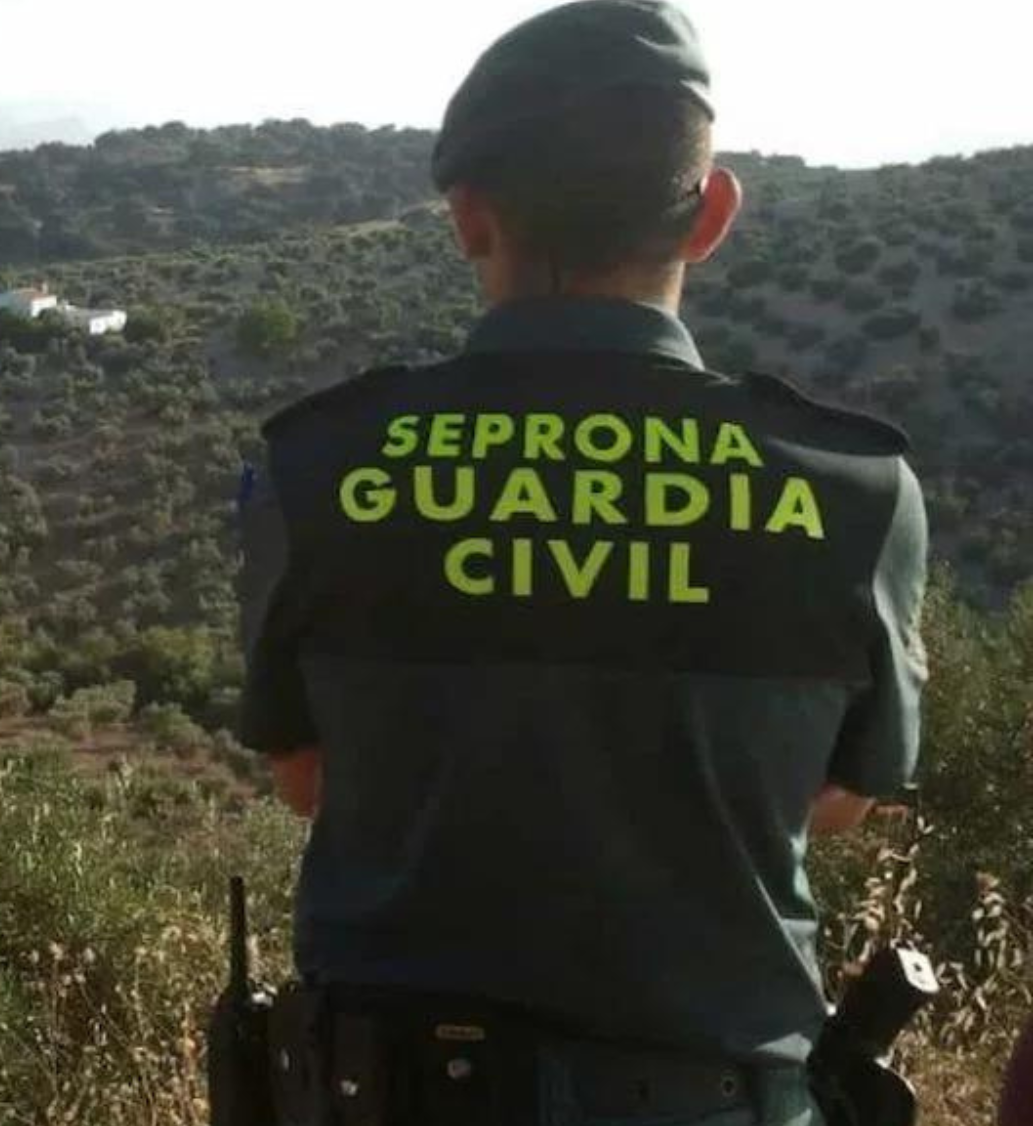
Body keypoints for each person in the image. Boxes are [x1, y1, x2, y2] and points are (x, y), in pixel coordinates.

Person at [234, 2, 929, 1124]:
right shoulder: (849, 487)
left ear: (467, 217)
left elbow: (305, 777)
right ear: (708, 214)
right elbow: (836, 796)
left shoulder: (319, 464)